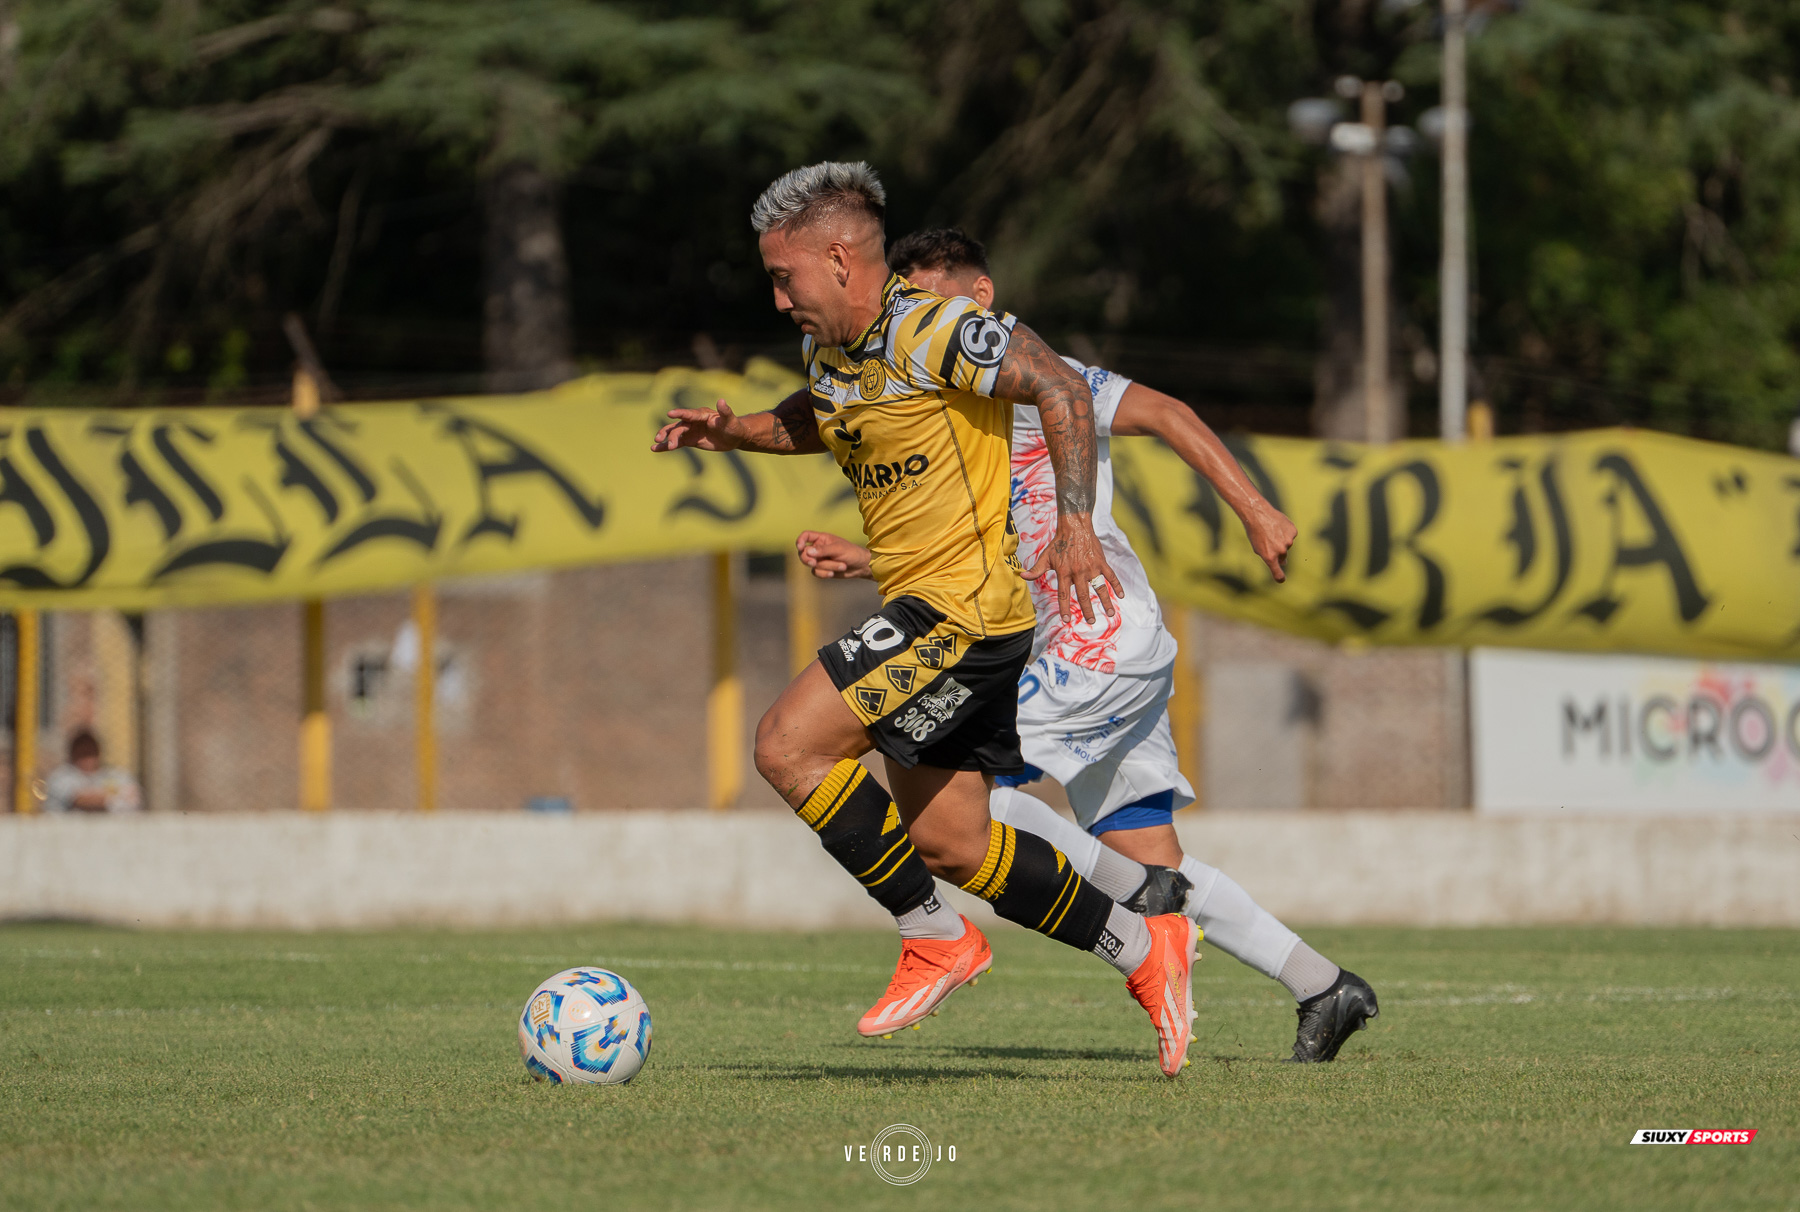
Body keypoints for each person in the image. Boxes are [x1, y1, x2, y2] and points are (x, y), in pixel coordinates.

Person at [652, 163, 1198, 1077]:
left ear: (838, 258)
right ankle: (1148, 953)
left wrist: (1071, 524)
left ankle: (934, 939)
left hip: (965, 612)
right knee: (951, 844)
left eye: (783, 277)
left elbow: (1060, 389)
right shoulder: (830, 352)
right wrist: (734, 431)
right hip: (928, 609)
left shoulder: (939, 328)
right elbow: (823, 417)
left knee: (788, 744)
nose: (776, 297)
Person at [795, 227, 1379, 1063]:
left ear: (982, 298)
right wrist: (867, 559)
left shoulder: (1044, 379)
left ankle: (1129, 904)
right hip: (1066, 648)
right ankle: (1324, 985)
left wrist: (1255, 509)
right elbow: (980, 537)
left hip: (1099, 640)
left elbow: (1169, 412)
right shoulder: (949, 406)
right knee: (1152, 861)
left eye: (929, 299)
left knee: (962, 799)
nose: (914, 318)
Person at [43, 729, 143, 814]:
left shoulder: (114, 775)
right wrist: (114, 799)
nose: (87, 759)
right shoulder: (61, 776)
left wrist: (104, 799)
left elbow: (133, 797)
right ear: (73, 755)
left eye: (91, 753)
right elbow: (81, 801)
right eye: (82, 753)